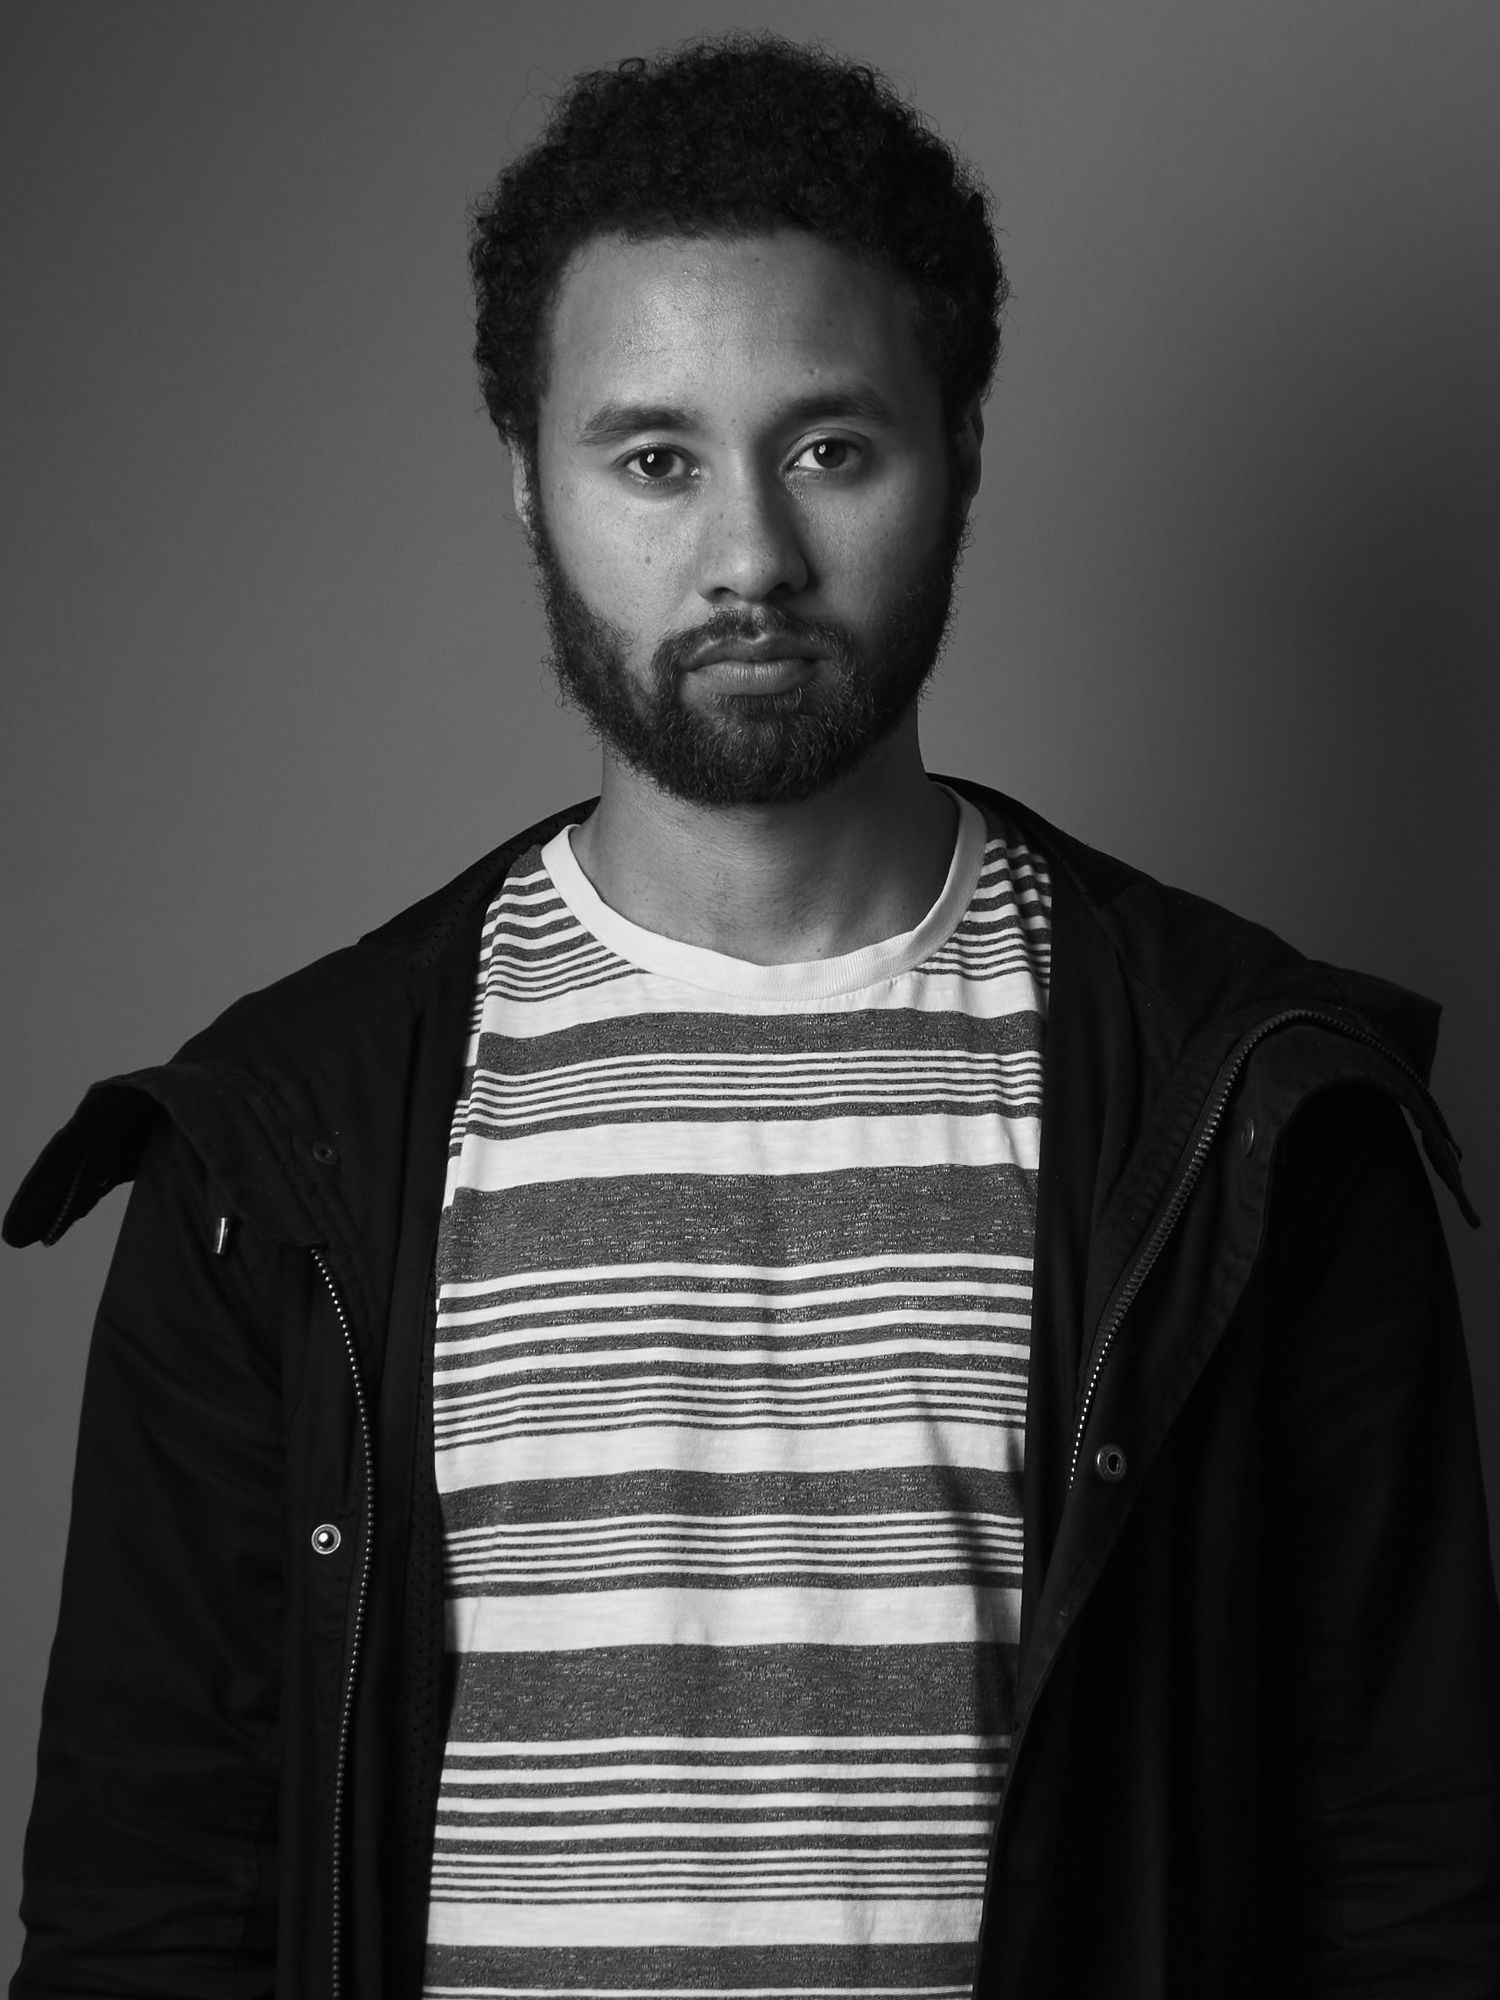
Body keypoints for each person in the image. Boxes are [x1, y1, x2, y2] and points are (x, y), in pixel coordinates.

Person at [7, 32, 1500, 2000]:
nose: (748, 559)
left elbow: (1408, 1886)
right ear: (529, 494)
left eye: (831, 445)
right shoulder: (270, 1141)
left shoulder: (1252, 1107)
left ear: (961, 452)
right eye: (652, 457)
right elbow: (148, 1904)